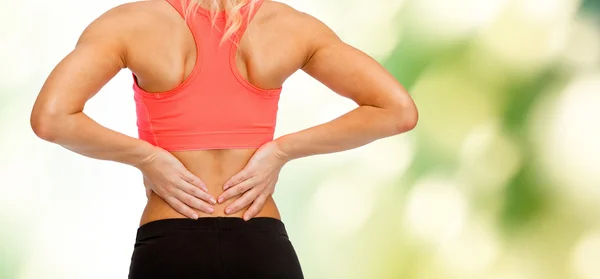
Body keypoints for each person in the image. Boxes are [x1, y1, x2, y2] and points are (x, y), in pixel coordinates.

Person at [30, 0, 418, 278]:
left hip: (170, 243)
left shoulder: (131, 22)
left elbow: (51, 119)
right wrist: (280, 151)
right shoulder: (289, 25)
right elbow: (397, 110)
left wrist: (149, 158)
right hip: (260, 242)